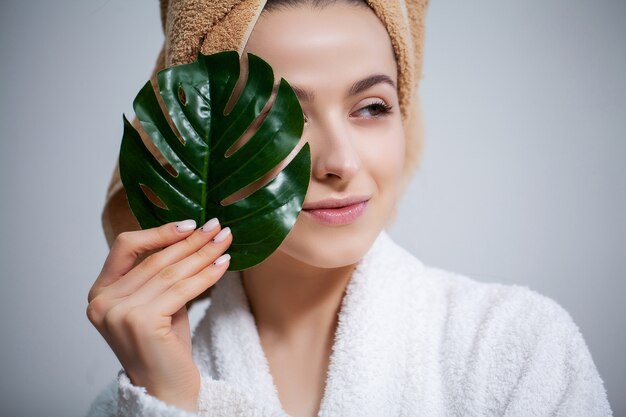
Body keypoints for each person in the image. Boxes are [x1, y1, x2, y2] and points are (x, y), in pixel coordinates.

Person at [86, 0, 613, 416]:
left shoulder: (519, 349)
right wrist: (169, 402)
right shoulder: (141, 395)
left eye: (371, 108)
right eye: (280, 117)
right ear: (207, 144)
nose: (340, 161)